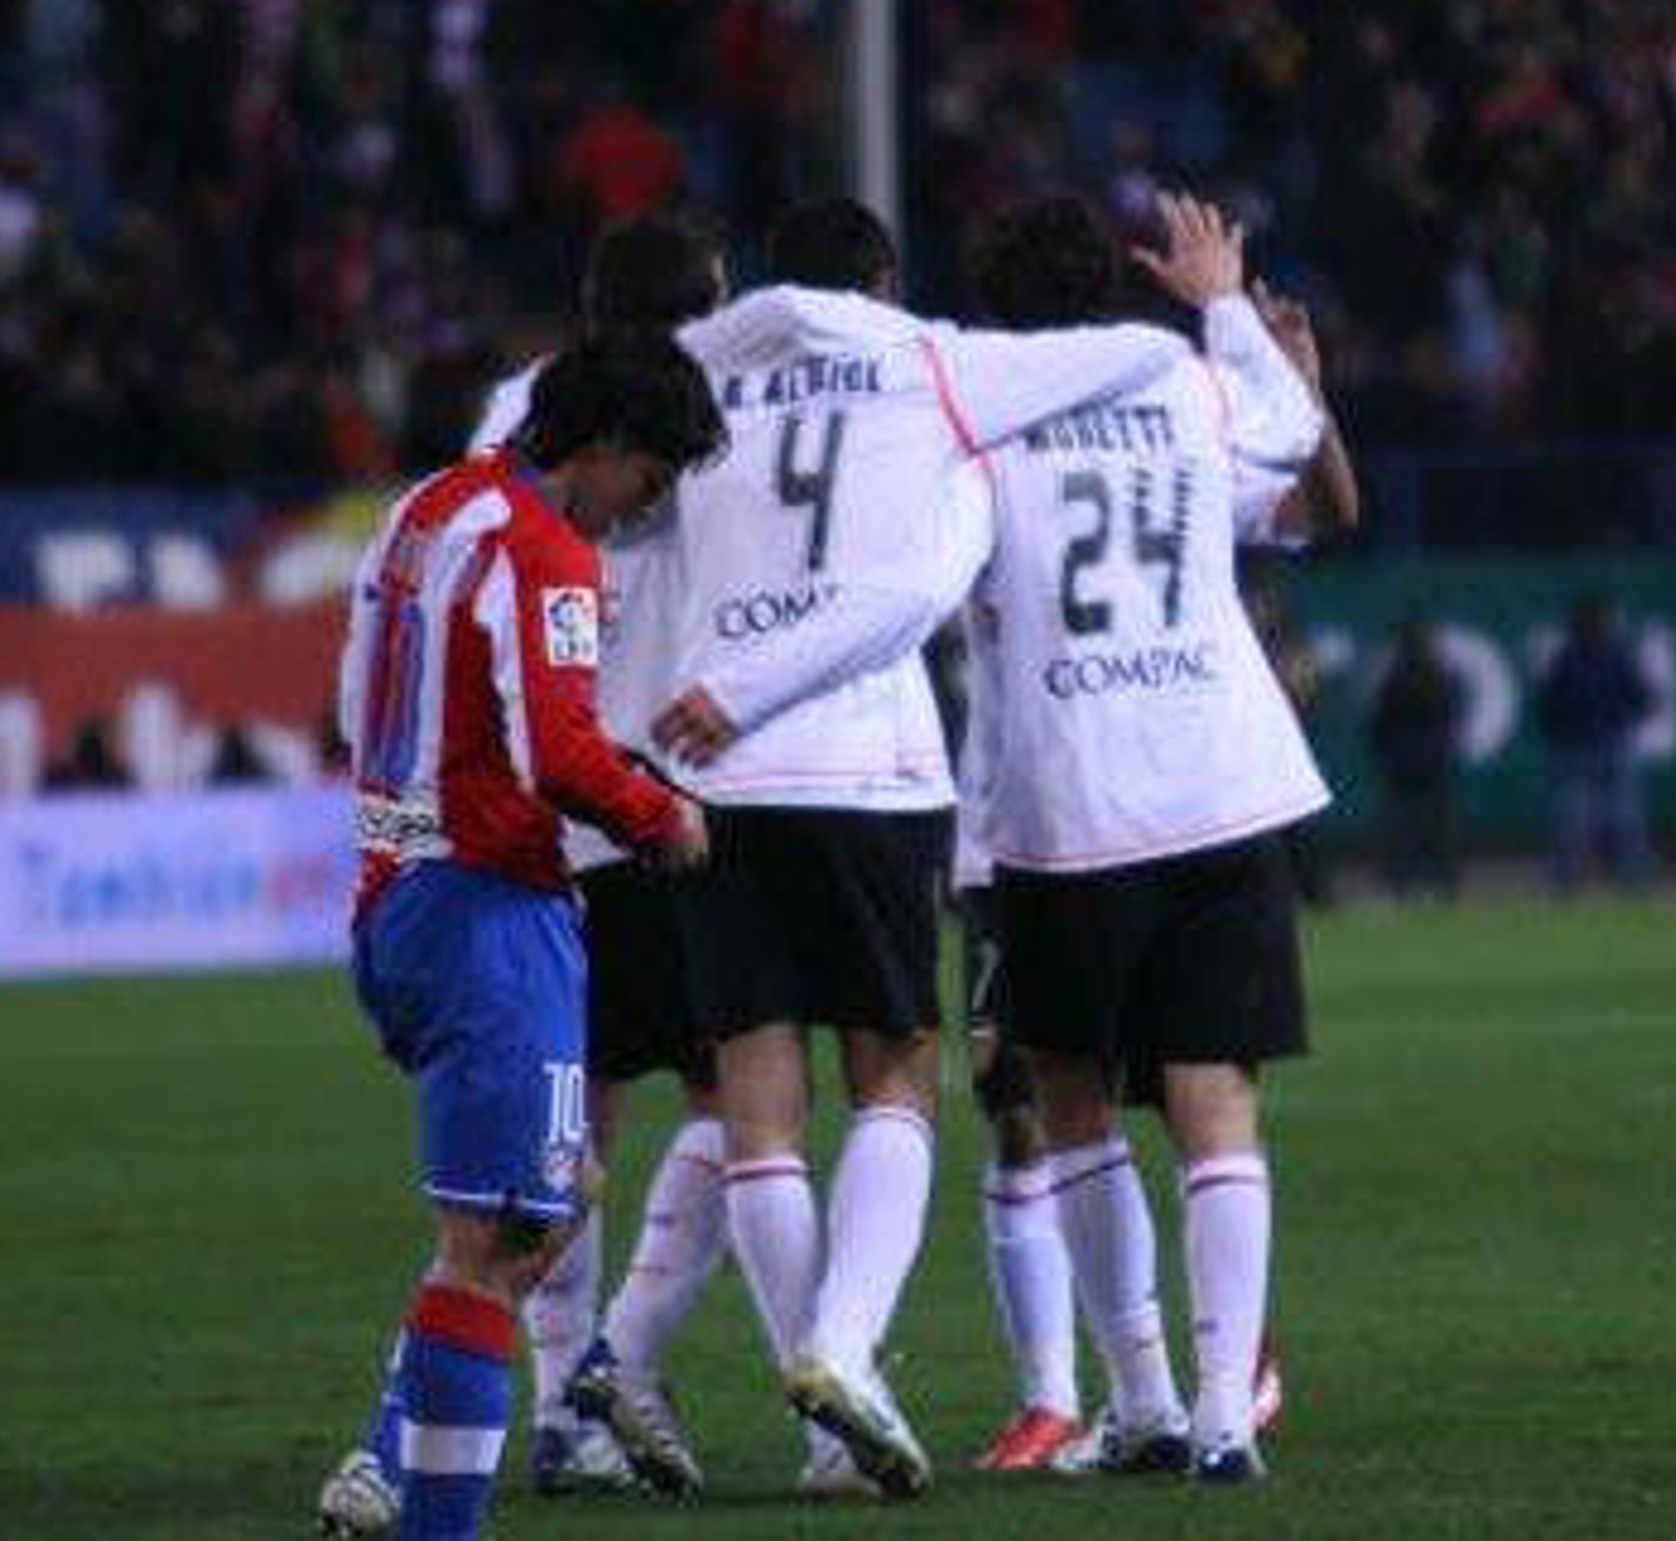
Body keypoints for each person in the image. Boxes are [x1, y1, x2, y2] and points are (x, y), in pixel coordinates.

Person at [622, 197, 1191, 1498]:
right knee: (895, 1071)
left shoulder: (696, 367)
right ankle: (841, 1347)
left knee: (759, 1099)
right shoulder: (929, 356)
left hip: (717, 771)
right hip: (865, 766)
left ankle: (829, 1439)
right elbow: (1138, 353)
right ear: (883, 279)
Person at [314, 332, 724, 1541]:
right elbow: (560, 752)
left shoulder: (424, 509)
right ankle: (425, 1503)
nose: (642, 510)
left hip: (397, 894)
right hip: (490, 907)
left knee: (547, 1200)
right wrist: (661, 816)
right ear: (605, 443)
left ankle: (393, 1451)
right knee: (502, 1243)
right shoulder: (546, 552)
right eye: (649, 479)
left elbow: (353, 701)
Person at [958, 230, 1356, 1471]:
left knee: (1071, 1102)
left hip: (1071, 806)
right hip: (1221, 784)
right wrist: (1227, 308)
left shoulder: (979, 429)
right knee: (1216, 1101)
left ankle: (1142, 1398)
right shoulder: (1184, 389)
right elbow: (1295, 446)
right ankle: (1226, 1418)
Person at [467, 213, 736, 1500]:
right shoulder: (705, 407)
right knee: (742, 1094)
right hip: (655, 789)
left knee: (580, 1117)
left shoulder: (512, 415)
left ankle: (565, 1402)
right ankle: (608, 1366)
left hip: (548, 804)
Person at [1534, 593, 1654, 891]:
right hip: (1592, 745)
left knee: (1598, 819)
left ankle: (1611, 879)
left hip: (1593, 745)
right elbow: (1643, 699)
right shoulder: (1579, 659)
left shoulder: (1573, 658)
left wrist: (1562, 731)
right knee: (1595, 819)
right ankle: (1618, 879)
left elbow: (1546, 706)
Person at [1367, 618, 1464, 899]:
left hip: (1402, 758)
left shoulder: (1394, 677)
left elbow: (1380, 721)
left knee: (1402, 822)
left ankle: (1400, 880)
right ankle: (1445, 881)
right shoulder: (1439, 675)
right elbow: (1450, 716)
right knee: (1439, 821)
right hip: (1434, 757)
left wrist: (1385, 749)